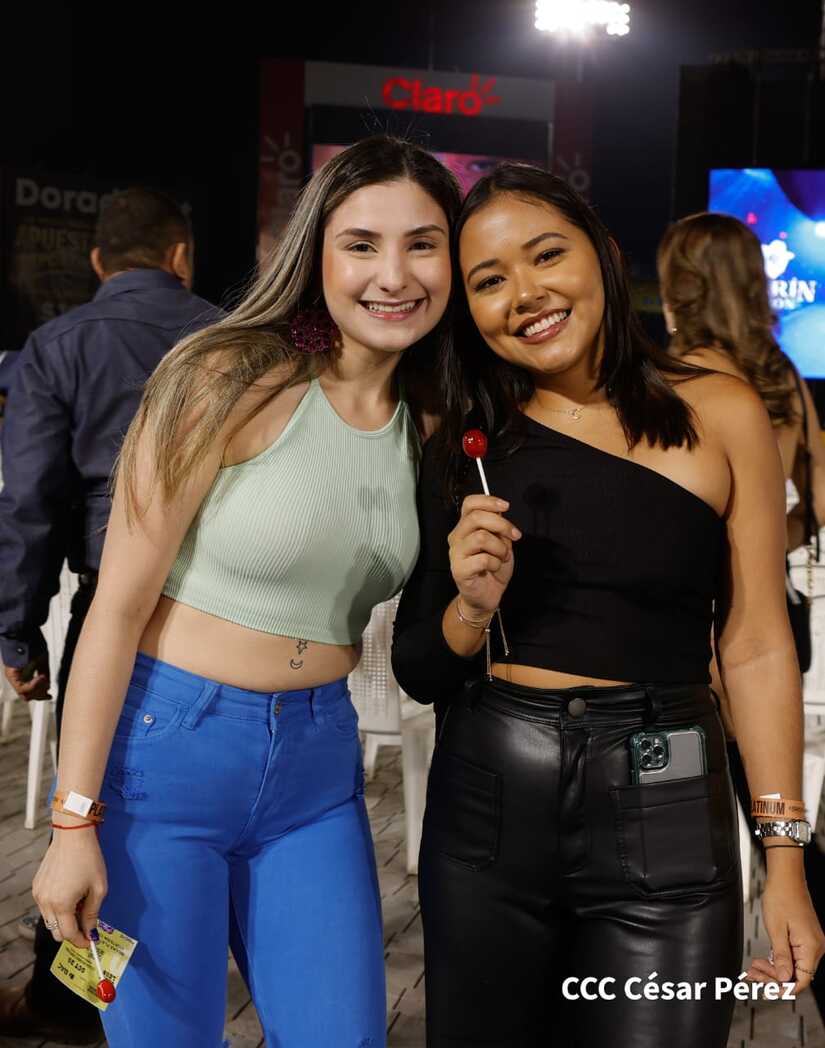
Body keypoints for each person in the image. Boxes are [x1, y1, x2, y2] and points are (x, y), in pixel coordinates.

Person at [31, 135, 460, 1048]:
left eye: (422, 244)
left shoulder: (428, 418)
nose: (394, 275)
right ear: (316, 253)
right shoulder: (224, 374)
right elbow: (114, 610)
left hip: (316, 763)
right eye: (361, 244)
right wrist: (72, 823)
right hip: (161, 761)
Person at [391, 163, 825, 1048]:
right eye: (489, 280)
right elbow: (419, 668)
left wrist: (783, 859)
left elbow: (754, 646)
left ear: (603, 253)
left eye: (546, 254)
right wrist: (470, 606)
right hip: (489, 811)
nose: (525, 293)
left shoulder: (720, 410)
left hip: (665, 804)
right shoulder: (467, 437)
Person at [0, 186, 214, 1044]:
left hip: (110, 609)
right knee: (183, 815)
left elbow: (29, 505)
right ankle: (134, 993)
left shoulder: (57, 345)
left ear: (97, 261)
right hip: (228, 610)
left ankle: (75, 1006)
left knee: (96, 808)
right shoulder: (228, 337)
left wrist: (18, 635)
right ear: (180, 255)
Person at [657, 209, 825, 1025]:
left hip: (702, 626)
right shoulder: (780, 375)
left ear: (677, 286)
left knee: (687, 816)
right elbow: (814, 502)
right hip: (776, 613)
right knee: (768, 810)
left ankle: (689, 976)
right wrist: (767, 538)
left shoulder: (675, 380)